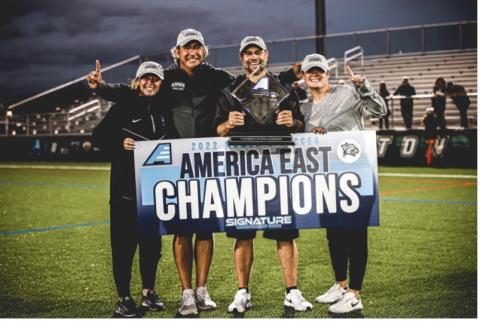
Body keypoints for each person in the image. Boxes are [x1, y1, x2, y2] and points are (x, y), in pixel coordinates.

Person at [215, 36, 312, 314]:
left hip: (278, 169)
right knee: (243, 234)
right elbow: (216, 129)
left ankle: (292, 292)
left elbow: (300, 123)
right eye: (248, 53)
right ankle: (242, 292)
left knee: (285, 232)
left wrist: (291, 121)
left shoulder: (282, 87)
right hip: (243, 168)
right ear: (241, 58)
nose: (253, 57)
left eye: (258, 52)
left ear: (266, 55)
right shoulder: (231, 89)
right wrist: (226, 124)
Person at [299, 53, 386, 314]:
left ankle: (355, 294)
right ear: (303, 76)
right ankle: (341, 284)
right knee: (334, 234)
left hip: (355, 172)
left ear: (327, 73)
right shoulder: (303, 108)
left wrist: (364, 86)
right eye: (310, 71)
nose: (315, 75)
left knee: (356, 234)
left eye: (320, 71)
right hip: (326, 177)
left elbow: (380, 110)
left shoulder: (348, 92)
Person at [88, 60, 170, 318]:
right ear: (137, 80)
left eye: (155, 79)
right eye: (146, 78)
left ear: (161, 83)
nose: (150, 82)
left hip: (153, 191)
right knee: (123, 246)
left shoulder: (165, 109)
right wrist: (118, 142)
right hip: (124, 191)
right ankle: (123, 298)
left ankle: (148, 293)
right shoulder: (123, 107)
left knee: (151, 246)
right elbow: (97, 137)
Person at [164, 28, 237, 317]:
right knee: (182, 230)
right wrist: (99, 88)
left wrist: (290, 77)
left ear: (204, 51)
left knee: (205, 229)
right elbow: (136, 95)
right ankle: (186, 294)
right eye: (187, 47)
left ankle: (201, 290)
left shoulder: (218, 77)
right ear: (177, 52)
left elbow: (250, 84)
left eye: (197, 47)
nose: (192, 52)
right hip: (175, 163)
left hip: (208, 161)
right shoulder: (166, 78)